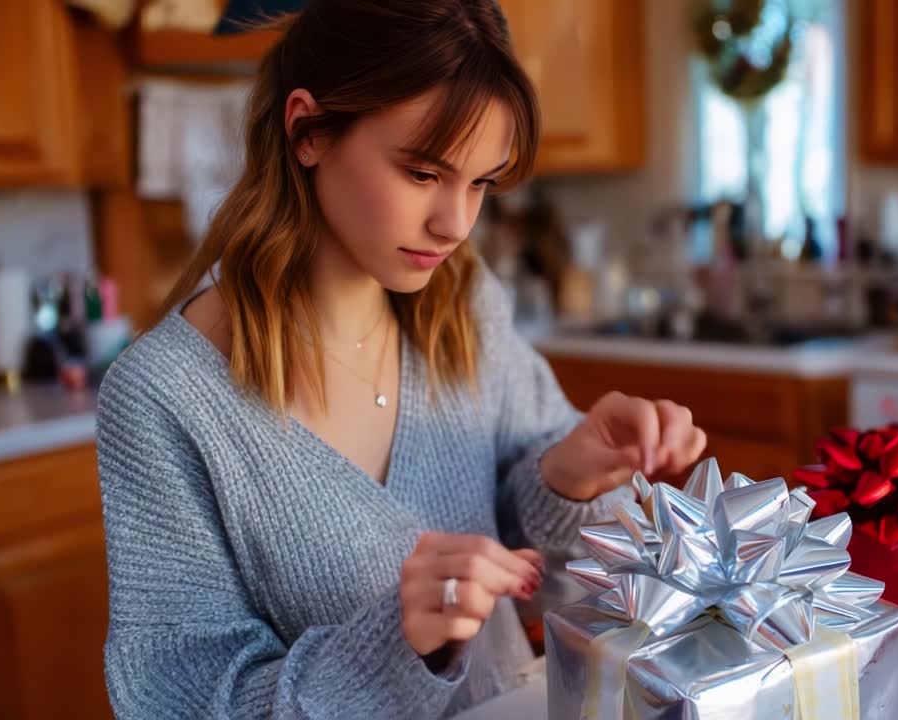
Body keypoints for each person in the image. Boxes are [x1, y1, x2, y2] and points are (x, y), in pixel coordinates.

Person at [95, 1, 707, 717]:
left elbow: (538, 548)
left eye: (480, 183)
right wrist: (396, 645)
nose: (455, 224)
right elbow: (183, 699)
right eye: (422, 173)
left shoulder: (464, 302)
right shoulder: (163, 397)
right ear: (308, 130)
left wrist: (566, 475)